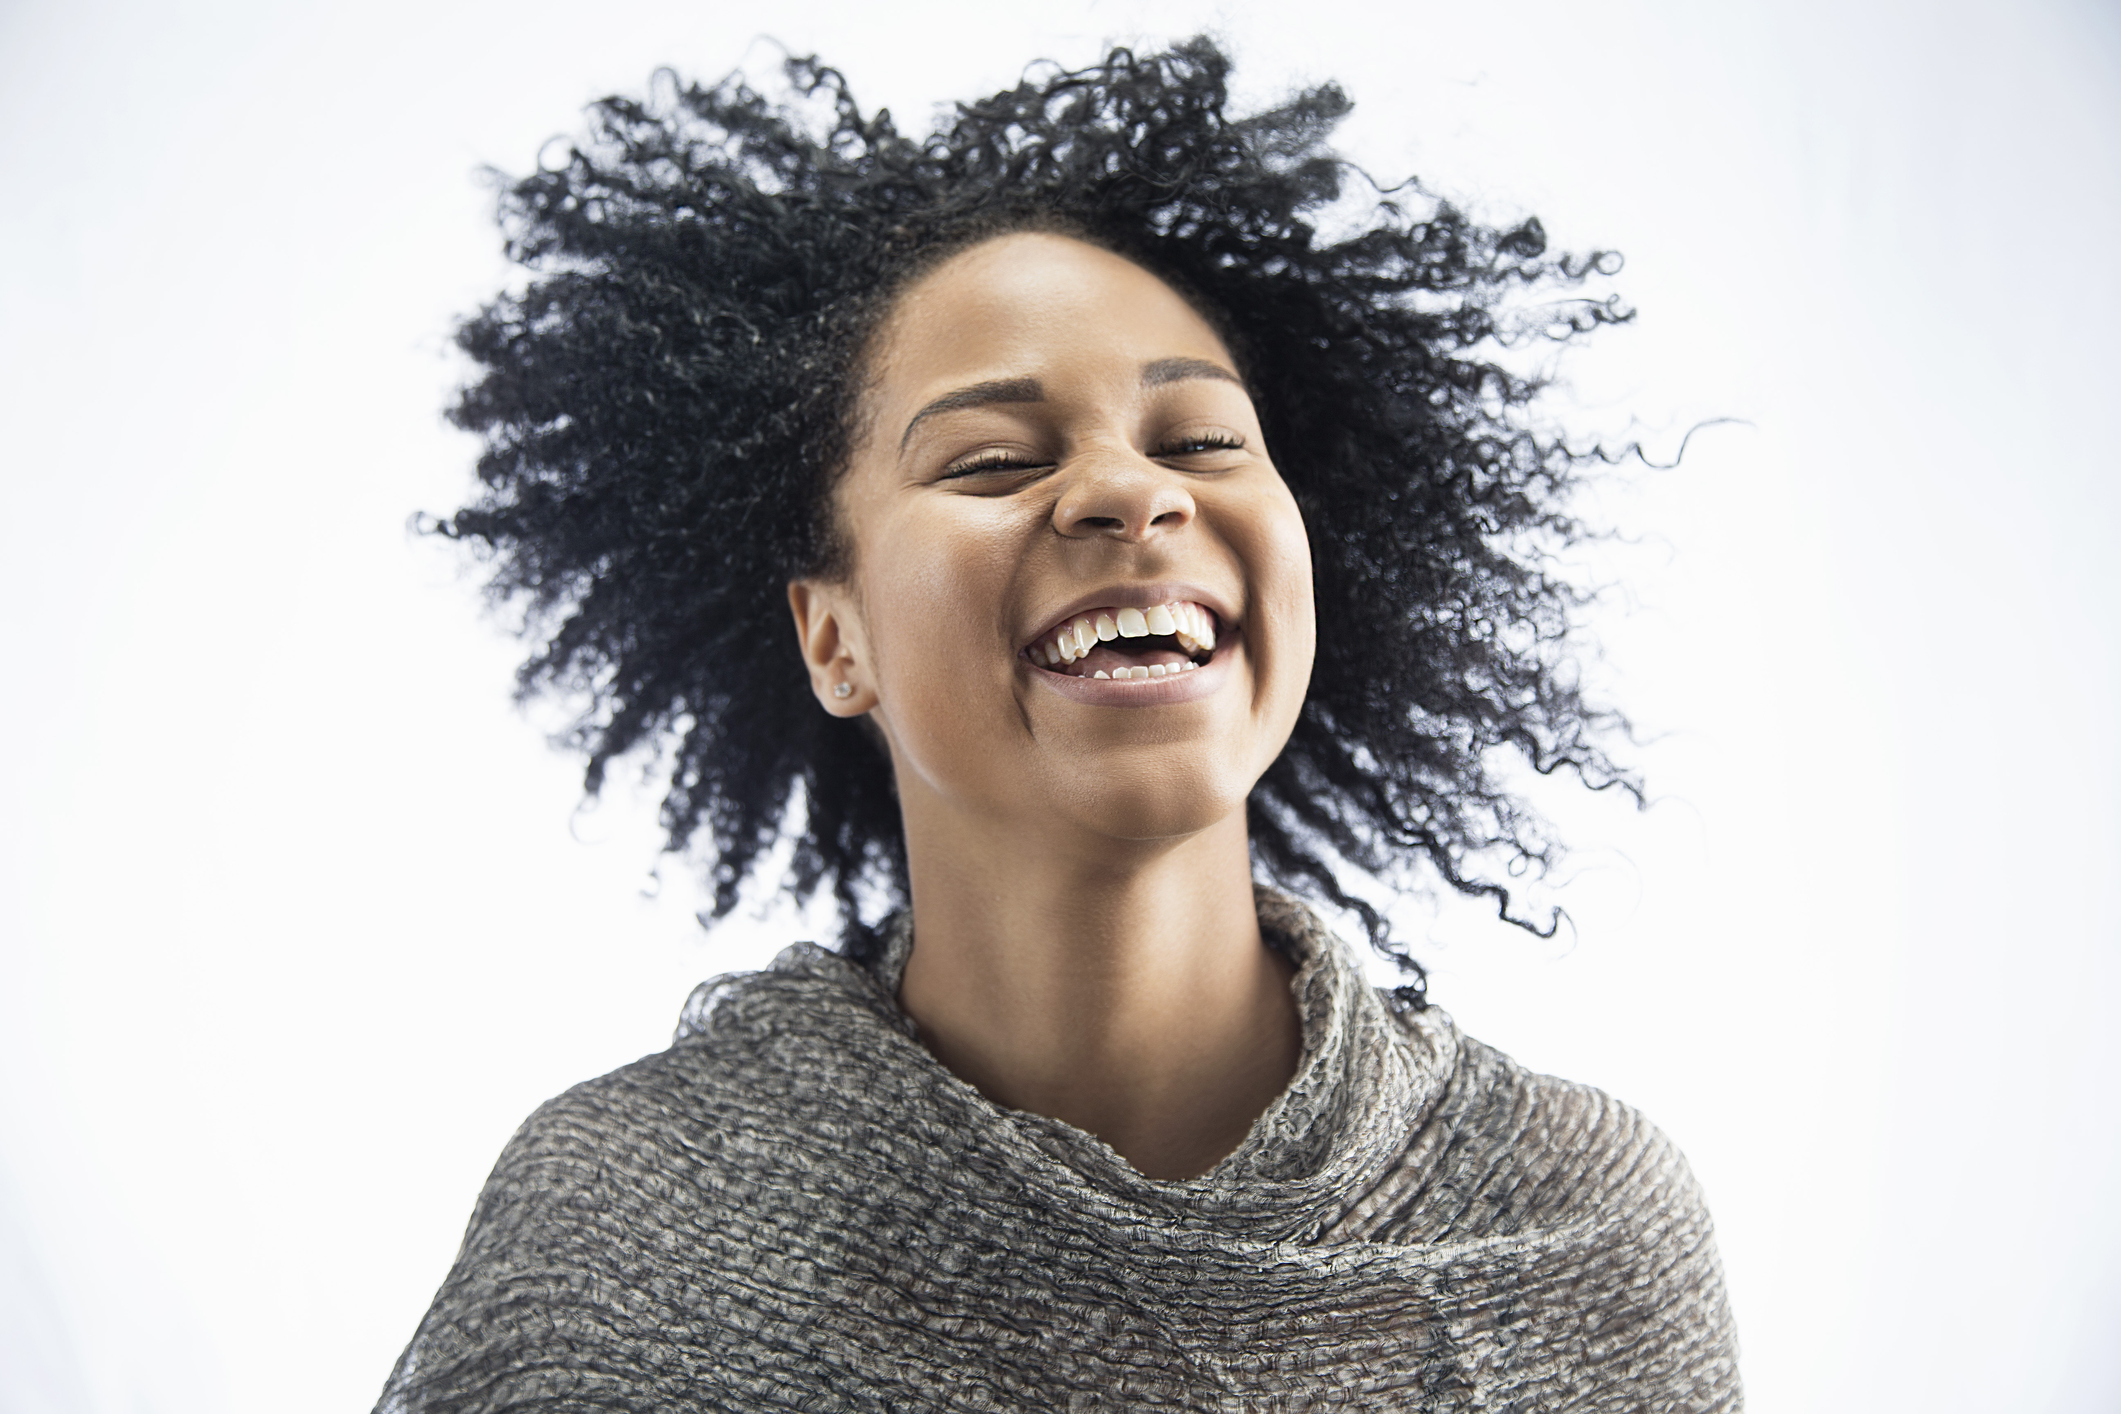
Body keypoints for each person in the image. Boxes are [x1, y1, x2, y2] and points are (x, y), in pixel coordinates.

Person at [378, 38, 1740, 1410]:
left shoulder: (1579, 1231)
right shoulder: (630, 1239)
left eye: (1200, 439)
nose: (1125, 493)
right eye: (993, 460)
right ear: (830, 635)